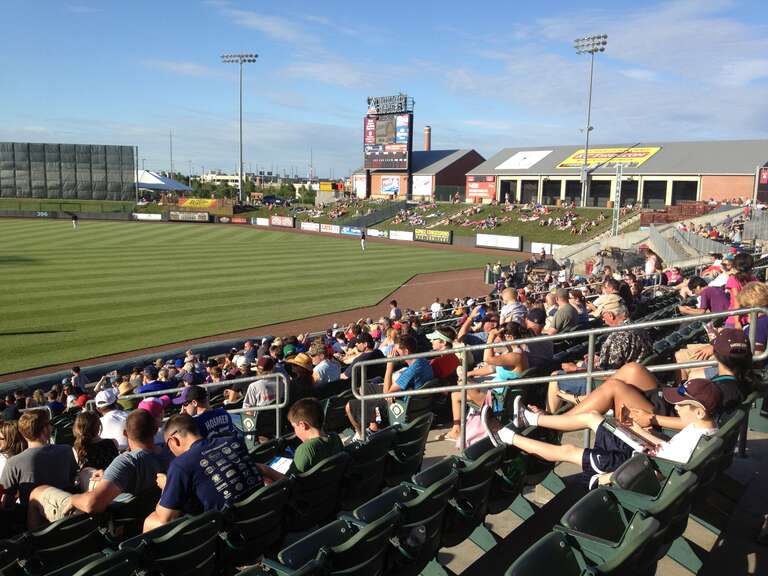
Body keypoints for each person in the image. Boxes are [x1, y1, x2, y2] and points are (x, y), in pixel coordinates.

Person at [483, 378, 721, 489]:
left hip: (631, 466)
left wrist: (605, 479)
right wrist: (637, 431)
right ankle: (532, 418)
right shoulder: (702, 429)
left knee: (568, 451)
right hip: (641, 451)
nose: (676, 407)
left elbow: (660, 474)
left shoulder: (696, 439)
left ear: (699, 412)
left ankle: (504, 436)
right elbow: (667, 450)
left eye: (681, 404)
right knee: (594, 417)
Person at [27, 410, 170, 527]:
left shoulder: (127, 461)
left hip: (109, 520)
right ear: (156, 429)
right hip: (138, 514)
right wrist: (107, 474)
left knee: (36, 493)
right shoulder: (169, 453)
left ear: (125, 433)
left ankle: (35, 548)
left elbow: (92, 505)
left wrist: (73, 499)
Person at [143, 414, 263, 532]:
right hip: (262, 515)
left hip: (231, 534)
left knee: (151, 520)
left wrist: (166, 486)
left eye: (168, 446)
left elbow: (165, 518)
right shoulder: (233, 440)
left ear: (173, 440)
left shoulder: (180, 464)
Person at [548, 302, 651, 413]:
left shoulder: (618, 336)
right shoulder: (638, 328)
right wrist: (599, 358)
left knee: (554, 377)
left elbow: (607, 375)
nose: (603, 319)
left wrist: (576, 370)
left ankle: (550, 423)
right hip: (631, 377)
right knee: (579, 363)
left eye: (603, 315)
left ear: (611, 315)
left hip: (613, 384)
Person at [1, 410, 77, 510]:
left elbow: (7, 502)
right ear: (45, 430)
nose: (51, 427)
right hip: (69, 511)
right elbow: (72, 479)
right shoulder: (66, 450)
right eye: (49, 424)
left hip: (31, 519)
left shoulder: (13, 462)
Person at [266, 398, 343, 478]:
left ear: (303, 425)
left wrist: (265, 469)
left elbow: (287, 481)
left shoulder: (306, 449)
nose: (295, 432)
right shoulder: (335, 437)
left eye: (294, 427)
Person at [173, 385, 239, 439]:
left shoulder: (195, 423)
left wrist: (182, 420)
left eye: (184, 404)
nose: (183, 408)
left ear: (194, 402)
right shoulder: (223, 413)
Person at [72, 411, 118, 475]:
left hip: (91, 483)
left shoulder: (77, 449)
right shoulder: (113, 442)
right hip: (114, 481)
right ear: (99, 426)